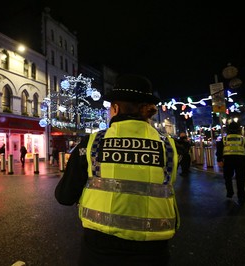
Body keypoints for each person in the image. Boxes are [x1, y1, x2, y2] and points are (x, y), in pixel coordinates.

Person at [55, 74, 180, 265]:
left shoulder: (92, 142)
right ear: (146, 109)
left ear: (115, 108)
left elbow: (65, 196)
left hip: (101, 246)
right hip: (154, 247)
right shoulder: (168, 145)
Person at [216, 121, 245, 204]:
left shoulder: (224, 139)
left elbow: (219, 150)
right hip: (240, 161)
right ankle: (241, 196)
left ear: (228, 129)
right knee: (240, 179)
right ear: (238, 129)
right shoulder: (243, 139)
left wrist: (219, 160)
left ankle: (230, 192)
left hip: (228, 161)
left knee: (227, 177)